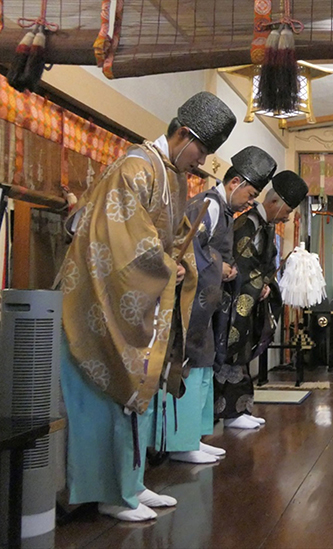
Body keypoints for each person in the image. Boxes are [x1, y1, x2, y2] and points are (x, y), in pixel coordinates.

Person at [58, 91, 236, 522]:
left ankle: (131, 483)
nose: (201, 162)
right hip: (100, 305)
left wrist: (178, 263)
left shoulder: (171, 175)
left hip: (137, 302)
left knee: (136, 392)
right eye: (201, 151)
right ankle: (109, 492)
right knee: (106, 399)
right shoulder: (135, 167)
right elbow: (118, 238)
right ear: (182, 134)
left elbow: (173, 239)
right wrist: (163, 266)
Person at [162, 146, 277, 464]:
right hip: (192, 304)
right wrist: (221, 267)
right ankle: (182, 441)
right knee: (190, 366)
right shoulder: (209, 206)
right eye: (250, 193)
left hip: (206, 304)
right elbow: (189, 249)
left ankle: (195, 436)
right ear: (235, 183)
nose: (251, 201)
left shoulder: (224, 211)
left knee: (202, 367)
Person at [214, 170, 309, 429]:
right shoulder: (248, 223)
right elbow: (242, 261)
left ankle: (238, 410)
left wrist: (267, 283)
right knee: (231, 353)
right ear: (274, 202)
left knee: (242, 354)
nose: (288, 217)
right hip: (234, 300)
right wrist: (260, 284)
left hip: (251, 297)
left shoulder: (264, 226)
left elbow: (265, 266)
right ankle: (227, 412)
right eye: (288, 210)